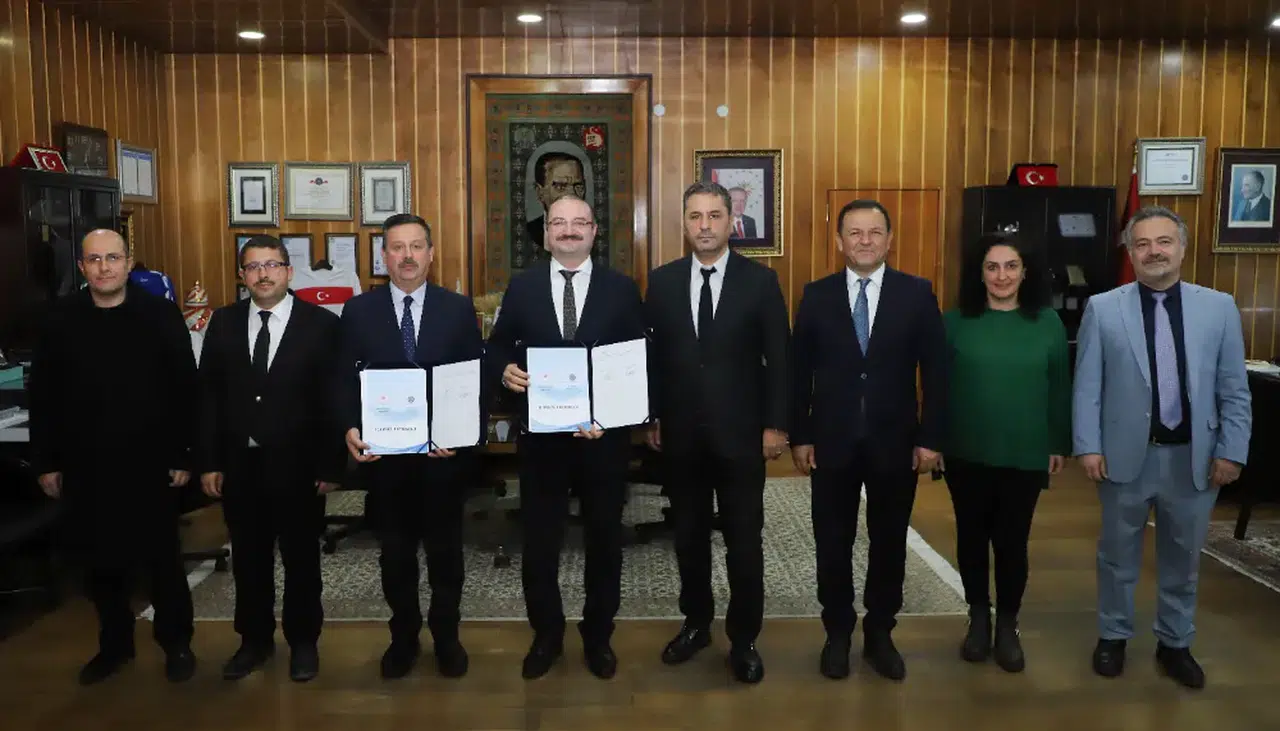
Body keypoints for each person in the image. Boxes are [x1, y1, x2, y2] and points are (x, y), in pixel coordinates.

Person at [1073, 205, 1251, 689]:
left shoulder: (1219, 308)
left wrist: (1232, 450)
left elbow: (1234, 389)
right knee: (1116, 556)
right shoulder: (1103, 309)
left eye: (1164, 242)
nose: (1154, 251)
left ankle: (1175, 642)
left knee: (1183, 559)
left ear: (1182, 248)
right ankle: (1113, 636)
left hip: (1195, 459)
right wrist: (1088, 445)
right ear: (1131, 253)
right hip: (1123, 457)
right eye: (1143, 244)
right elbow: (1087, 386)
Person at [28, 229, 197, 685]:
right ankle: (115, 646)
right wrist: (46, 461)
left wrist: (184, 454)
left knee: (162, 563)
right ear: (82, 267)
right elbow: (42, 397)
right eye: (95, 260)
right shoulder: (60, 319)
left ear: (128, 262)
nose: (104, 267)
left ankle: (177, 644)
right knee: (101, 564)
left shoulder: (159, 314)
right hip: (86, 464)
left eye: (113, 258)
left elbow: (185, 390)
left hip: (152, 463)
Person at [488, 195, 645, 680]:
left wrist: (617, 416)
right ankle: (547, 635)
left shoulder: (622, 289)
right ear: (546, 234)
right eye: (559, 222)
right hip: (543, 441)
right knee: (540, 542)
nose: (569, 230)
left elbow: (639, 361)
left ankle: (598, 637)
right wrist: (505, 370)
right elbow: (497, 348)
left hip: (603, 439)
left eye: (579, 222)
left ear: (595, 231)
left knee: (605, 541)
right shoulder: (523, 287)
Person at [789, 199, 946, 681]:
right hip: (830, 443)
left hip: (895, 443)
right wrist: (801, 434)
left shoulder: (916, 294)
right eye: (854, 233)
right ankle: (837, 633)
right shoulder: (816, 296)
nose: (864, 241)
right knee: (832, 542)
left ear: (889, 240)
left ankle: (880, 633)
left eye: (874, 232)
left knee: (889, 542)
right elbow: (798, 372)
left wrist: (931, 437)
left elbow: (937, 371)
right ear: (839, 241)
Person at [643, 181, 790, 684]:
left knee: (744, 542)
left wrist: (775, 424)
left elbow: (780, 358)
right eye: (695, 216)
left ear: (731, 223)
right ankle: (696, 624)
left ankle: (744, 639)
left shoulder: (761, 282)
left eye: (713, 216)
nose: (704, 225)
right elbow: (652, 359)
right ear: (684, 224)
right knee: (688, 539)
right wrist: (653, 415)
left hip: (742, 436)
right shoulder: (662, 282)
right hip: (680, 435)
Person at [339, 213, 484, 680]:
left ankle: (447, 637)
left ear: (431, 254)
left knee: (446, 556)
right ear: (384, 256)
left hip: (442, 460)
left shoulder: (457, 309)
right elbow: (344, 380)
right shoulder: (358, 311)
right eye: (397, 247)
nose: (407, 256)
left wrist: (461, 435)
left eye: (416, 246)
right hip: (387, 461)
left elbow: (473, 381)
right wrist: (349, 427)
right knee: (395, 556)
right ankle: (403, 637)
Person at [196, 235, 345, 683]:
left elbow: (334, 399)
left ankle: (304, 643)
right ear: (242, 276)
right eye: (253, 267)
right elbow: (208, 398)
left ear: (288, 271)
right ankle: (254, 641)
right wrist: (209, 461)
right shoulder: (223, 323)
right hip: (240, 466)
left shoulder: (321, 324)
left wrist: (331, 465)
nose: (263, 274)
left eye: (272, 265)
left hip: (300, 467)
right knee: (248, 560)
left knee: (302, 561)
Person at [942, 232, 1070, 672]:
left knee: (1013, 542)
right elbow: (938, 389)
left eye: (1011, 266)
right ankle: (978, 617)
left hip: (1025, 451)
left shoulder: (1048, 323)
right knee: (971, 538)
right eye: (992, 267)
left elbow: (1059, 387)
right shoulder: (955, 322)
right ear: (979, 274)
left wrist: (1058, 442)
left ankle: (1008, 625)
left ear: (1025, 272)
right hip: (966, 450)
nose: (1001, 276)